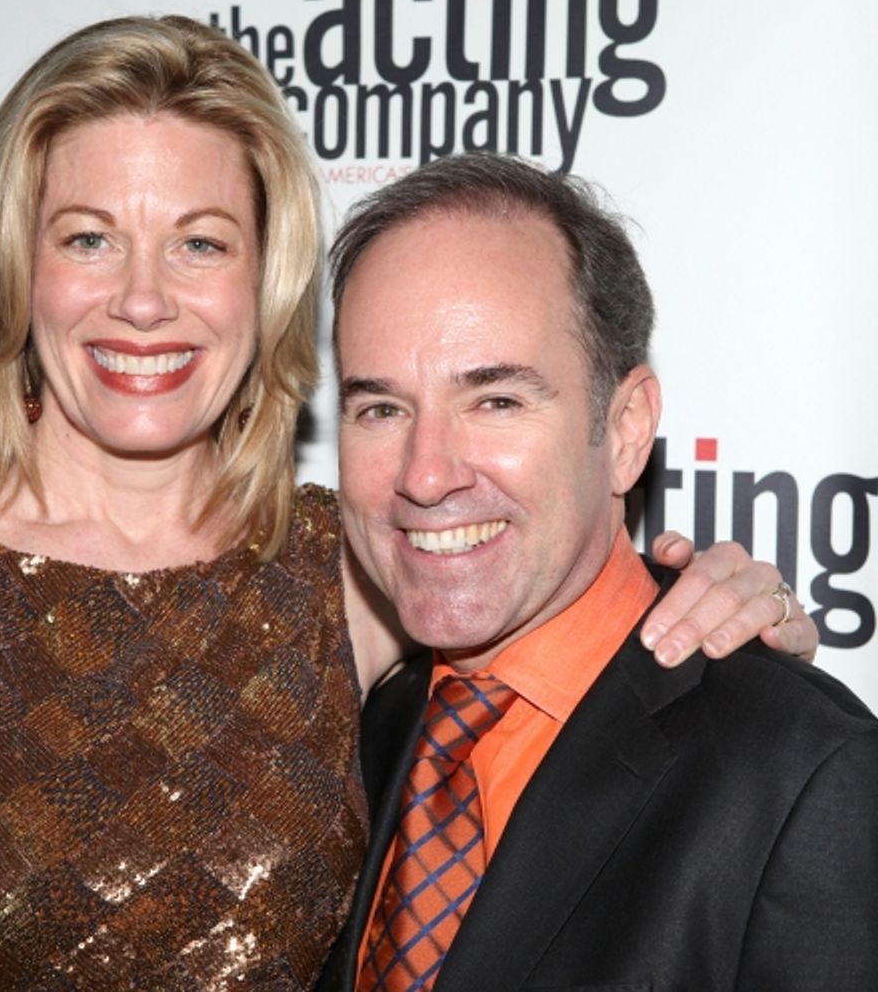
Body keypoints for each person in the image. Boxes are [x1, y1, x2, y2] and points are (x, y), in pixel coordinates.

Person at [0, 18, 816, 992]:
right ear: (15, 266)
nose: (142, 299)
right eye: (89, 238)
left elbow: (580, 643)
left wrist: (733, 619)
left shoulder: (355, 566)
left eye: (200, 243)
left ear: (264, 277)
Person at [316, 151, 878, 992]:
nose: (424, 474)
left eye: (496, 400)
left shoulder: (801, 778)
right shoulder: (352, 727)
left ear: (623, 430)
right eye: (381, 408)